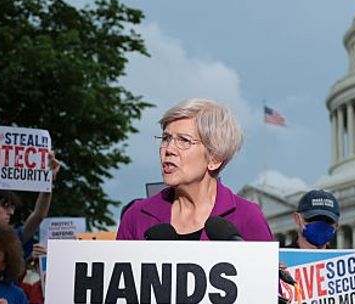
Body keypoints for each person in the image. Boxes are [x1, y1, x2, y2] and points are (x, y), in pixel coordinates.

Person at [116, 98, 271, 240]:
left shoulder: (247, 217)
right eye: (166, 138)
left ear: (215, 158)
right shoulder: (136, 216)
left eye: (184, 140)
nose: (169, 149)